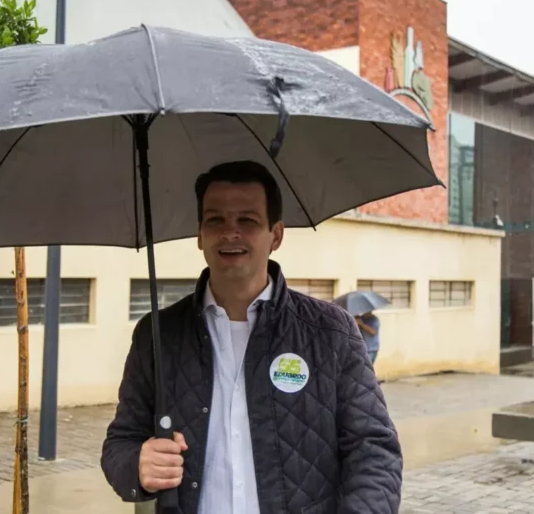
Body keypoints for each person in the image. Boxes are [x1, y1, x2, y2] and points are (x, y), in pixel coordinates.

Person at [101, 160, 402, 514]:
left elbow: (374, 449)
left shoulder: (330, 331)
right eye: (215, 220)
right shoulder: (157, 334)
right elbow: (121, 443)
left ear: (276, 235)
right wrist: (137, 465)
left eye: (247, 220)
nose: (230, 233)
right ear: (199, 235)